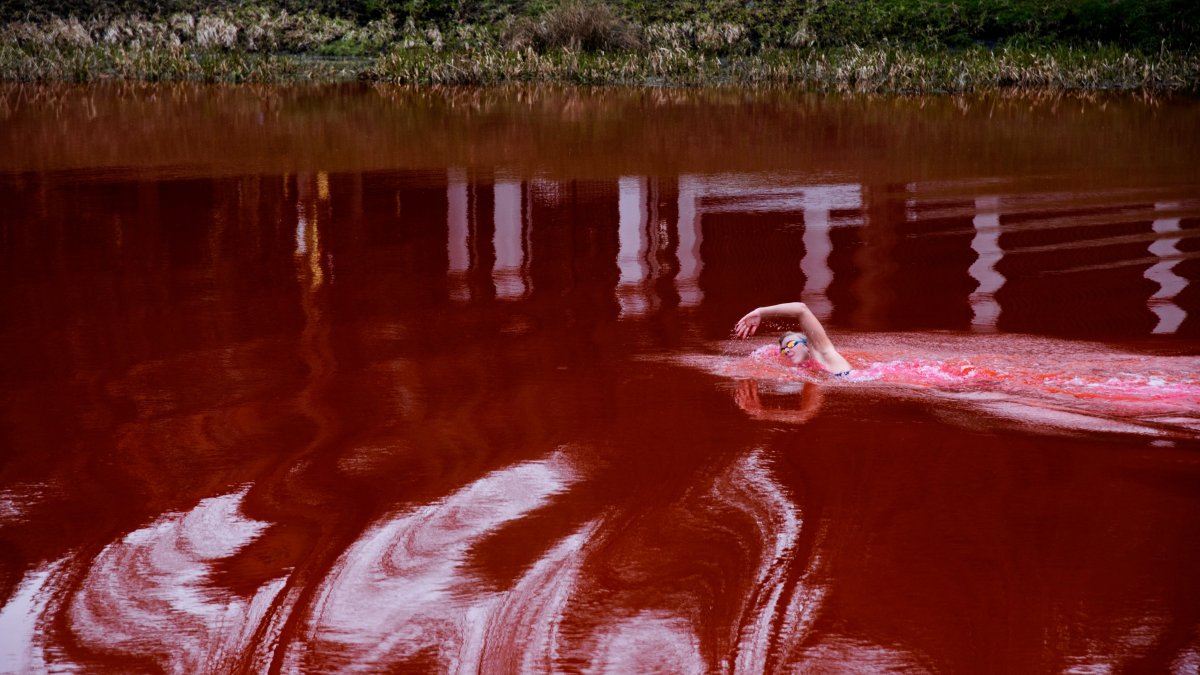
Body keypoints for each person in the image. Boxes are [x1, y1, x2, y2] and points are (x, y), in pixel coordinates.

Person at [734, 302, 853, 377]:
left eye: (791, 344)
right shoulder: (812, 370)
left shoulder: (825, 353)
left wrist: (761, 312)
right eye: (783, 349)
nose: (786, 350)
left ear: (807, 346)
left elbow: (802, 309)